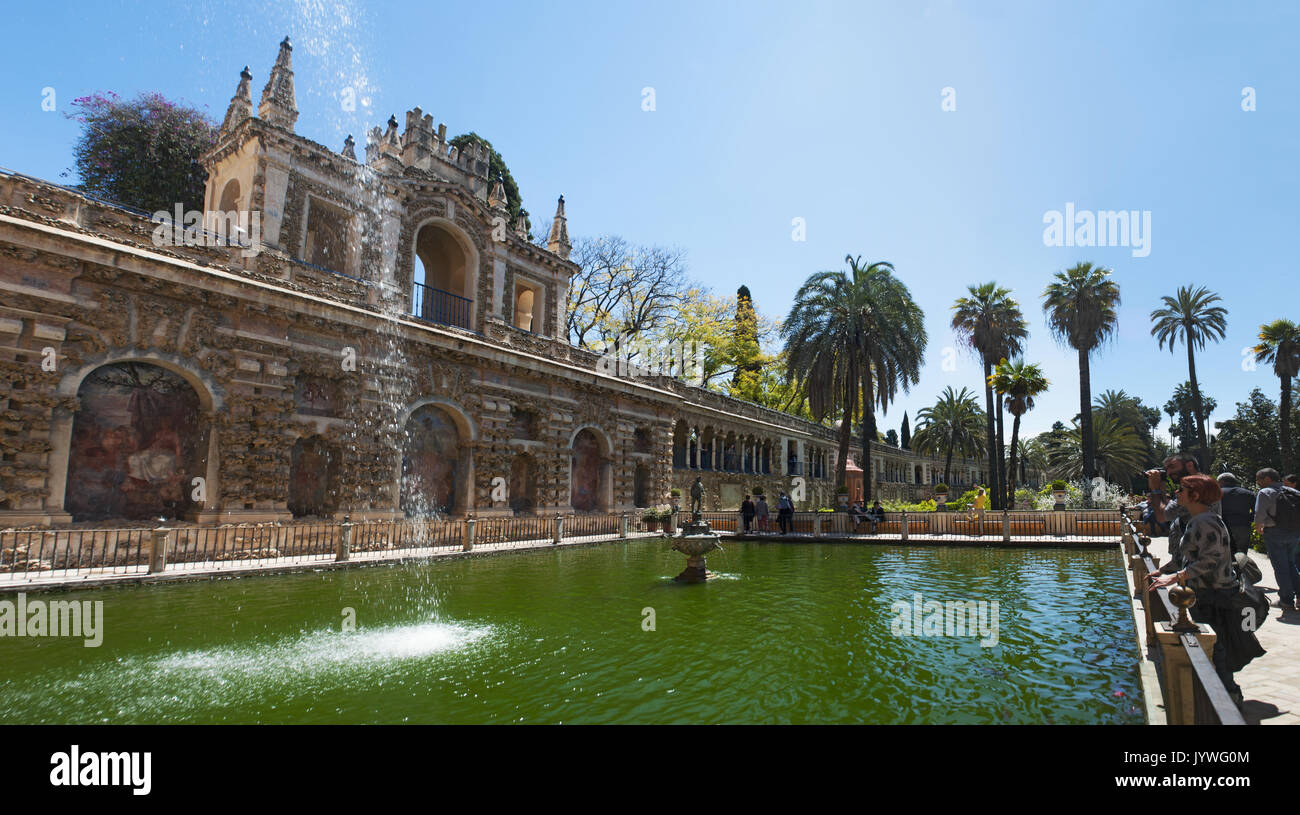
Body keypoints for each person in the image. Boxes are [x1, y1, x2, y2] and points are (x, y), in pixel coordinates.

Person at [1148, 474, 1263, 707]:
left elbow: (1211, 559)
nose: (1177, 494)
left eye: (1181, 490)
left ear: (1195, 494)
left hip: (1215, 595)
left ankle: (1227, 698)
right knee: (1214, 645)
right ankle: (1221, 694)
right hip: (1207, 593)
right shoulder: (1198, 520)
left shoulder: (1205, 521)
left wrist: (1177, 577)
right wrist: (1164, 571)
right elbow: (1189, 557)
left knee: (1217, 647)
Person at [1146, 452, 1220, 564]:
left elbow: (1162, 516)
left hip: (1196, 563)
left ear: (1189, 465)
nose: (1169, 472)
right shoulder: (1200, 484)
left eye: (1172, 467)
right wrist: (1161, 488)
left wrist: (1155, 489)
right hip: (1189, 561)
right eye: (1166, 469)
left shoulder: (1197, 488)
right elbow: (1169, 509)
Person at [1254, 468, 1300, 611]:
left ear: (1267, 479)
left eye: (1259, 479)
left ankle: (1286, 600)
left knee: (1281, 567)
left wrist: (1258, 527)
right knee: (1291, 564)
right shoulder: (1294, 492)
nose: (1258, 483)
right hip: (1294, 532)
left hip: (1274, 532)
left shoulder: (1265, 492)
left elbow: (1259, 513)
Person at [1216, 473, 1257, 555]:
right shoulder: (1248, 493)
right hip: (1243, 527)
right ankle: (1240, 568)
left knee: (1224, 553)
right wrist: (1248, 519)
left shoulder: (1217, 493)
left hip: (1224, 527)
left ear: (1221, 482)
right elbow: (1256, 511)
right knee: (1242, 554)